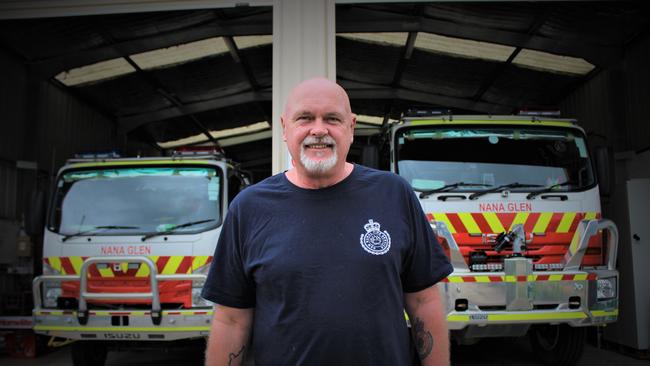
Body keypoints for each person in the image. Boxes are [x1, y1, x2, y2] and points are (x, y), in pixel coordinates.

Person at [202, 77, 453, 366]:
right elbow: (232, 320)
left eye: (332, 118)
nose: (319, 130)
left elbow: (424, 301)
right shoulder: (248, 208)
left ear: (351, 127)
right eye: (305, 118)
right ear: (285, 128)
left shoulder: (394, 194)